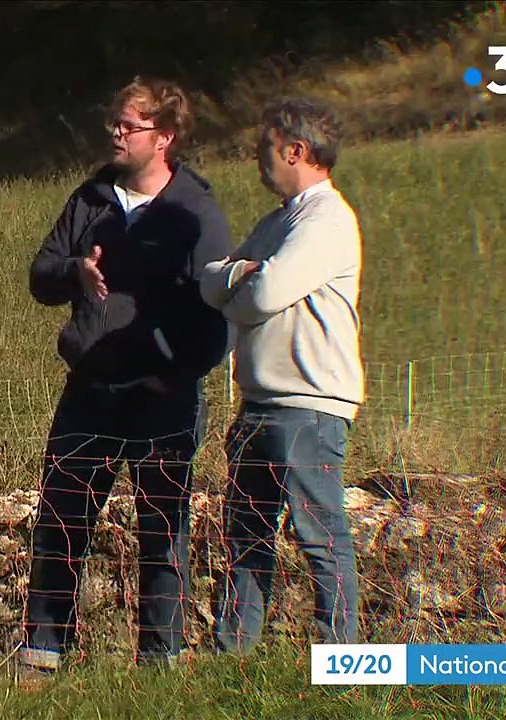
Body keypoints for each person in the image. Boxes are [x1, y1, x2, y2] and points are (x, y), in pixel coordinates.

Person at [18, 75, 232, 678]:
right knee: (63, 516)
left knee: (161, 526)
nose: (115, 132)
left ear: (163, 137)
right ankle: (42, 652)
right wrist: (75, 276)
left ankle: (159, 663)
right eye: (113, 121)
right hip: (91, 387)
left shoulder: (196, 212)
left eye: (129, 125)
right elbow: (41, 275)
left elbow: (216, 308)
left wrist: (178, 374)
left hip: (162, 395)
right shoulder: (88, 200)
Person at [199, 97, 364, 654]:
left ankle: (341, 661)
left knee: (320, 536)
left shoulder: (326, 219)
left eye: (264, 149)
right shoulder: (277, 224)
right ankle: (234, 656)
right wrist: (239, 278)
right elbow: (211, 280)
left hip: (308, 405)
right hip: (260, 403)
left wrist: (240, 285)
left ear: (295, 150)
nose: (256, 159)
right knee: (246, 537)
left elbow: (259, 294)